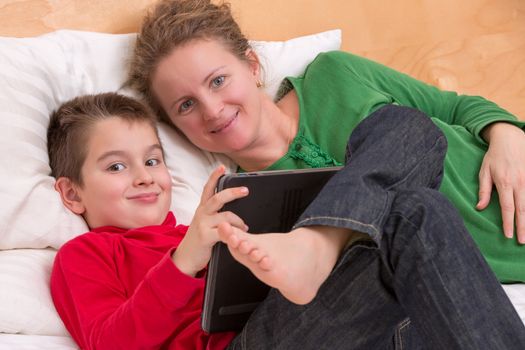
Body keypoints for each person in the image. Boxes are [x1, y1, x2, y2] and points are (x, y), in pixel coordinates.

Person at [47, 93, 525, 349]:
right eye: (115, 166)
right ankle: (314, 249)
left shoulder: (213, 221)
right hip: (258, 341)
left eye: (152, 161)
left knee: (407, 132)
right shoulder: (86, 255)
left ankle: (317, 243)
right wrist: (184, 259)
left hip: (350, 327)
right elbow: (111, 344)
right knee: (416, 212)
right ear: (71, 193)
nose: (143, 178)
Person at [127, 0, 525, 283]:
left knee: (401, 126)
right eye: (186, 105)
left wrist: (505, 134)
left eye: (218, 80)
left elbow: (453, 106)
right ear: (175, 127)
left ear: (251, 66)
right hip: (494, 270)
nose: (212, 110)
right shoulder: (253, 209)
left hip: (511, 172)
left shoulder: (335, 73)